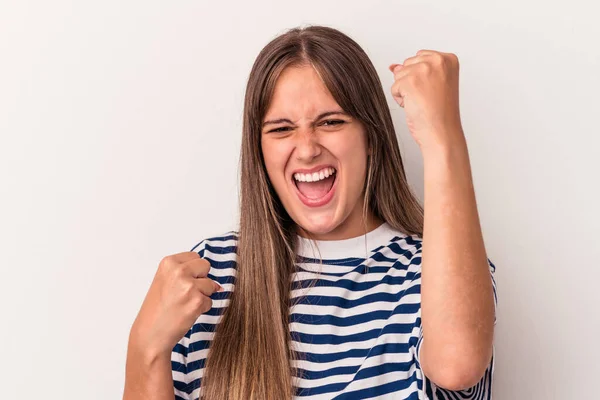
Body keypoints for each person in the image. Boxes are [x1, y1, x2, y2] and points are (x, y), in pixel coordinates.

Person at [123, 25, 497, 400]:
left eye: (331, 122)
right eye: (281, 129)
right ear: (260, 152)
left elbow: (456, 365)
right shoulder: (212, 274)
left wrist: (442, 134)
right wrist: (145, 350)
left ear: (371, 136)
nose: (306, 149)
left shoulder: (437, 270)